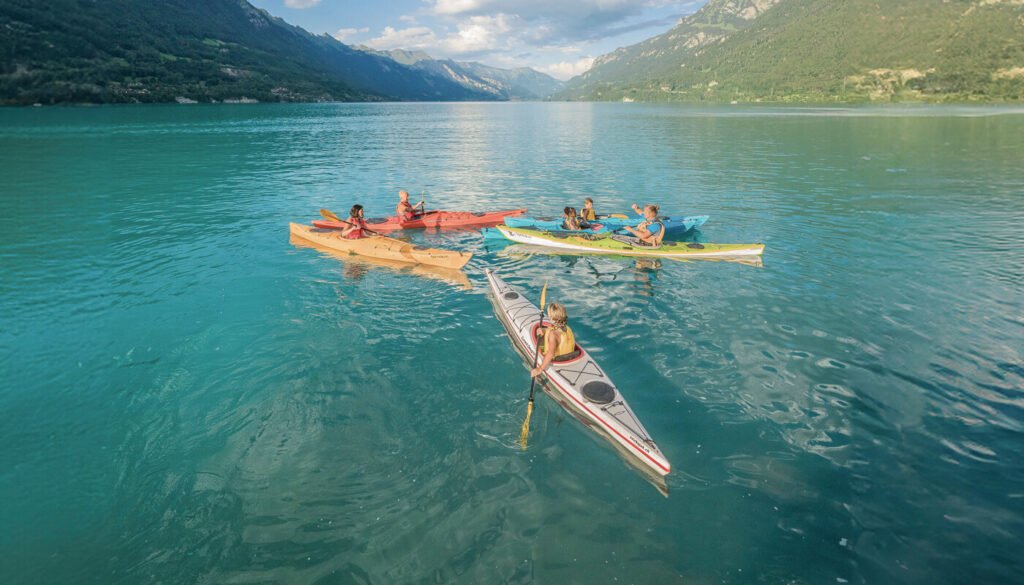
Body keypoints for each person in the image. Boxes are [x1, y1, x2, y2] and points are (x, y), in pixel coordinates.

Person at [530, 302, 576, 378]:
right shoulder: (567, 329)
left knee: (540, 343)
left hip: (557, 361)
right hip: (570, 358)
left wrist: (540, 369)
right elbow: (557, 332)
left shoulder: (553, 334)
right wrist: (544, 330)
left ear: (551, 317)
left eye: (548, 314)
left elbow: (551, 353)